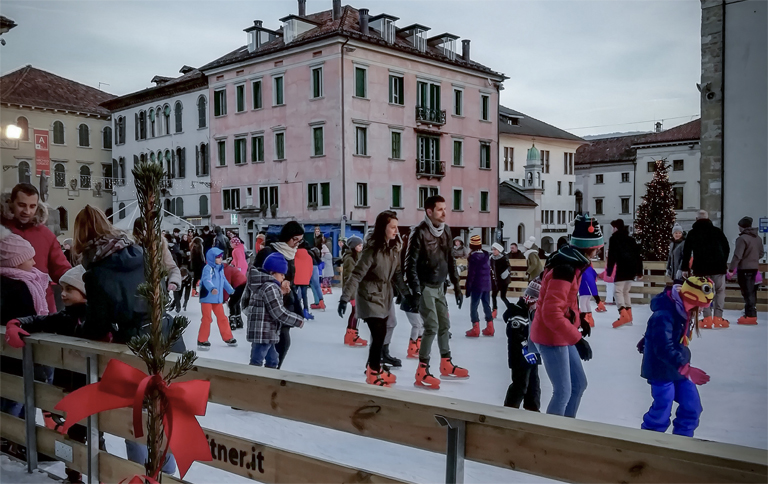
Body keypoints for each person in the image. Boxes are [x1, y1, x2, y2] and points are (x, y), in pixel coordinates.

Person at [531, 214, 603, 418]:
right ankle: (552, 434)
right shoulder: (565, 269)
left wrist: (579, 321)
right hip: (550, 336)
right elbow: (551, 313)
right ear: (590, 247)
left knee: (578, 384)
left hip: (561, 334)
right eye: (598, 247)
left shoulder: (573, 263)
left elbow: (567, 303)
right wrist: (577, 339)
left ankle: (567, 427)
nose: (599, 251)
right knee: (563, 391)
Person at [338, 211, 410, 387]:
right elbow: (356, 275)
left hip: (384, 295)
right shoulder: (372, 250)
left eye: (396, 227)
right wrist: (344, 298)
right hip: (369, 296)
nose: (396, 230)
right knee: (378, 334)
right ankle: (373, 372)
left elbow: (397, 274)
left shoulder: (394, 249)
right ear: (382, 228)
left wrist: (407, 294)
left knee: (381, 334)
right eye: (392, 227)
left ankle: (374, 368)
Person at [638, 277, 714, 438]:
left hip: (677, 366)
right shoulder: (664, 314)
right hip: (660, 369)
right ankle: (649, 441)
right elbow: (663, 347)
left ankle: (682, 442)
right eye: (700, 306)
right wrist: (685, 367)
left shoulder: (682, 310)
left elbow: (667, 336)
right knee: (663, 407)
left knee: (692, 406)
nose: (701, 311)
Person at [405, 195, 468, 390]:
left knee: (444, 325)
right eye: (440, 209)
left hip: (440, 286)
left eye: (445, 209)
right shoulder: (419, 232)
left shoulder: (446, 230)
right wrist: (416, 291)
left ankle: (446, 363)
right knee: (431, 326)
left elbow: (450, 259)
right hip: (425, 287)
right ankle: (422, 370)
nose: (444, 213)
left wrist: (456, 286)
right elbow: (410, 265)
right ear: (429, 211)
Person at [74, 205, 147, 343]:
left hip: (132, 344)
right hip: (165, 333)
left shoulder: (97, 273)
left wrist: (76, 329)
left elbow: (97, 327)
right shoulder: (139, 252)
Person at [1, 183, 71, 313]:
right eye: (21, 205)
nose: (27, 211)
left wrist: (77, 282)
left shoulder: (46, 235)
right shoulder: (1, 230)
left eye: (32, 206)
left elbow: (61, 269)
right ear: (11, 203)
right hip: (6, 304)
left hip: (43, 305)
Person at [252, 221, 305, 368]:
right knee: (269, 344)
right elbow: (256, 277)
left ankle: (273, 370)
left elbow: (289, 277)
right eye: (295, 239)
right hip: (268, 303)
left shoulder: (290, 253)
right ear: (287, 237)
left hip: (285, 301)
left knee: (281, 341)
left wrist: (288, 284)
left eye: (300, 240)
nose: (297, 244)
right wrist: (276, 284)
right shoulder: (268, 252)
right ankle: (262, 372)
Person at [682, 210, 731, 328]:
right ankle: (718, 318)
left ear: (696, 219)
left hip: (701, 268)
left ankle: (707, 318)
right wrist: (723, 261)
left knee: (703, 291)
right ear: (708, 219)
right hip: (718, 267)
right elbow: (726, 248)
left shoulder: (693, 233)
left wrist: (685, 268)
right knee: (719, 291)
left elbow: (686, 251)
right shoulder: (717, 231)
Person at [503, 288, 541, 411]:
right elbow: (514, 334)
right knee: (520, 384)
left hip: (532, 356)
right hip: (519, 357)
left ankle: (532, 409)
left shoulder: (532, 312)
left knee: (533, 385)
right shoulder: (518, 313)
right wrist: (525, 348)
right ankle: (509, 410)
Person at [606, 219, 643, 329]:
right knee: (625, 291)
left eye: (613, 227)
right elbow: (638, 256)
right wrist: (639, 271)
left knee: (617, 291)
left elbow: (612, 256)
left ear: (616, 228)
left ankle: (623, 315)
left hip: (622, 268)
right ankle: (629, 316)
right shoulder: (631, 239)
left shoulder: (614, 239)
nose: (612, 230)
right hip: (632, 269)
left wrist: (609, 270)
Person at [197, 247, 237, 350]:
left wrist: (230, 290)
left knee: (222, 317)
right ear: (212, 258)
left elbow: (223, 280)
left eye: (221, 257)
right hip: (207, 297)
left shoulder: (220, 269)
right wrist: (212, 288)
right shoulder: (208, 268)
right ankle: (202, 339)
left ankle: (228, 337)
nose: (220, 259)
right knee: (207, 318)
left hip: (217, 299)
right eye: (218, 257)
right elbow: (207, 280)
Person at [728, 216, 765, 325]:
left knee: (747, 292)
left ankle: (750, 315)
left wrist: (731, 269)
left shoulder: (742, 239)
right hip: (754, 268)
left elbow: (737, 256)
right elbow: (761, 253)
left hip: (744, 269)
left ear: (741, 226)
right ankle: (751, 313)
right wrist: (753, 259)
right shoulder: (758, 238)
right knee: (752, 292)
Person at [133, 218, 181, 295]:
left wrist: (174, 281)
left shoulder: (160, 245)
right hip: (136, 292)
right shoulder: (132, 247)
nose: (146, 232)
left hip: (157, 292)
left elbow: (173, 268)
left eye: (148, 228)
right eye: (143, 229)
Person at [465, 235, 494, 338]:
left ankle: (475, 328)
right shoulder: (486, 255)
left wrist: (468, 287)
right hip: (487, 284)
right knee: (486, 305)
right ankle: (490, 327)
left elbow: (471, 274)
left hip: (477, 285)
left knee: (474, 306)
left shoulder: (473, 258)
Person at [341, 236, 367, 347]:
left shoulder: (357, 256)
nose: (361, 247)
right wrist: (351, 294)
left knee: (355, 312)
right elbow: (349, 277)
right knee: (355, 312)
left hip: (356, 289)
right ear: (353, 247)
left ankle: (351, 334)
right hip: (353, 290)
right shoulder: (350, 259)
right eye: (359, 245)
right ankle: (352, 335)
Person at [223, 260, 247, 330]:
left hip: (239, 285)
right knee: (236, 302)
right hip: (244, 283)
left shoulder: (226, 271)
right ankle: (239, 321)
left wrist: (224, 299)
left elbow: (227, 285)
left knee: (232, 303)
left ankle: (233, 320)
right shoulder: (228, 268)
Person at [491, 242, 511, 319]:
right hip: (496, 281)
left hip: (503, 281)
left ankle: (511, 309)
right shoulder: (491, 258)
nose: (493, 251)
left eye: (495, 249)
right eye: (493, 249)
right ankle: (494, 310)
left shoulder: (504, 258)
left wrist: (506, 273)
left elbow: (509, 267)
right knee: (493, 295)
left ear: (499, 250)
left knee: (503, 296)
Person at [294, 242, 314, 320]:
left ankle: (295, 310)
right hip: (305, 279)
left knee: (294, 295)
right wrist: (308, 277)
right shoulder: (309, 257)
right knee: (304, 295)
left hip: (295, 278)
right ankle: (306, 311)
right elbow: (311, 269)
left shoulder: (294, 255)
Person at [578, 264, 600, 329]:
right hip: (591, 287)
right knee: (587, 303)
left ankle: (585, 319)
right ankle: (590, 319)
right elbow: (595, 275)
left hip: (584, 287)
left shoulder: (581, 269)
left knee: (582, 303)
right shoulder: (589, 268)